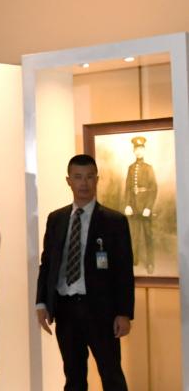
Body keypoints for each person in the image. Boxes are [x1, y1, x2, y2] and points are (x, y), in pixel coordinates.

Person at [36, 154, 134, 391]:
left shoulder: (114, 220)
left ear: (97, 180)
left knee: (111, 374)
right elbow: (47, 264)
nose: (84, 183)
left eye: (90, 177)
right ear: (68, 181)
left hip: (101, 310)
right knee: (73, 376)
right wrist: (42, 303)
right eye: (78, 177)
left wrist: (124, 313)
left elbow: (123, 270)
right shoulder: (56, 218)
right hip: (66, 308)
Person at [122, 136, 157, 273]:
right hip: (134, 207)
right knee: (134, 235)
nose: (138, 151)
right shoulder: (131, 168)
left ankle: (150, 263)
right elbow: (127, 188)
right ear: (133, 151)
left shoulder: (149, 168)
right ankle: (134, 259)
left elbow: (154, 189)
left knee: (148, 236)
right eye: (136, 149)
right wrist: (127, 205)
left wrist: (148, 207)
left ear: (144, 150)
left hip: (145, 208)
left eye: (141, 149)